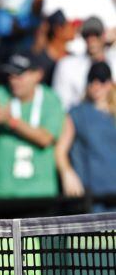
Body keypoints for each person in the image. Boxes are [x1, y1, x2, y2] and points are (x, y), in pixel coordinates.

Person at [0, 51, 65, 200]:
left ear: (38, 74)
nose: (14, 80)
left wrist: (11, 122)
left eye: (20, 74)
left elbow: (46, 138)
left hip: (39, 193)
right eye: (11, 74)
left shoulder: (50, 99)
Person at [55, 62, 116, 212]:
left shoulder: (112, 115)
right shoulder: (77, 113)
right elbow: (60, 150)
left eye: (101, 81)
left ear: (109, 84)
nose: (96, 85)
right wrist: (67, 173)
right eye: (92, 80)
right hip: (92, 198)